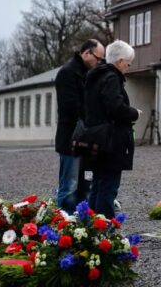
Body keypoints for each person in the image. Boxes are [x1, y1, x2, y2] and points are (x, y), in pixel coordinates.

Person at [84, 40, 141, 218]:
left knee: (98, 184)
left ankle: (91, 225)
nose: (129, 67)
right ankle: (104, 226)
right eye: (129, 63)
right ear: (120, 61)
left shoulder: (95, 76)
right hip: (111, 140)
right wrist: (134, 113)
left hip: (96, 137)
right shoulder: (112, 78)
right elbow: (115, 108)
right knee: (108, 186)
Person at [54, 39, 105, 213]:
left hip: (85, 136)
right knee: (69, 185)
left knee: (84, 182)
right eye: (98, 58)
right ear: (86, 53)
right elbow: (71, 106)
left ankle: (81, 218)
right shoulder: (68, 73)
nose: (99, 63)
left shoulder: (87, 73)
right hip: (71, 138)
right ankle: (65, 220)